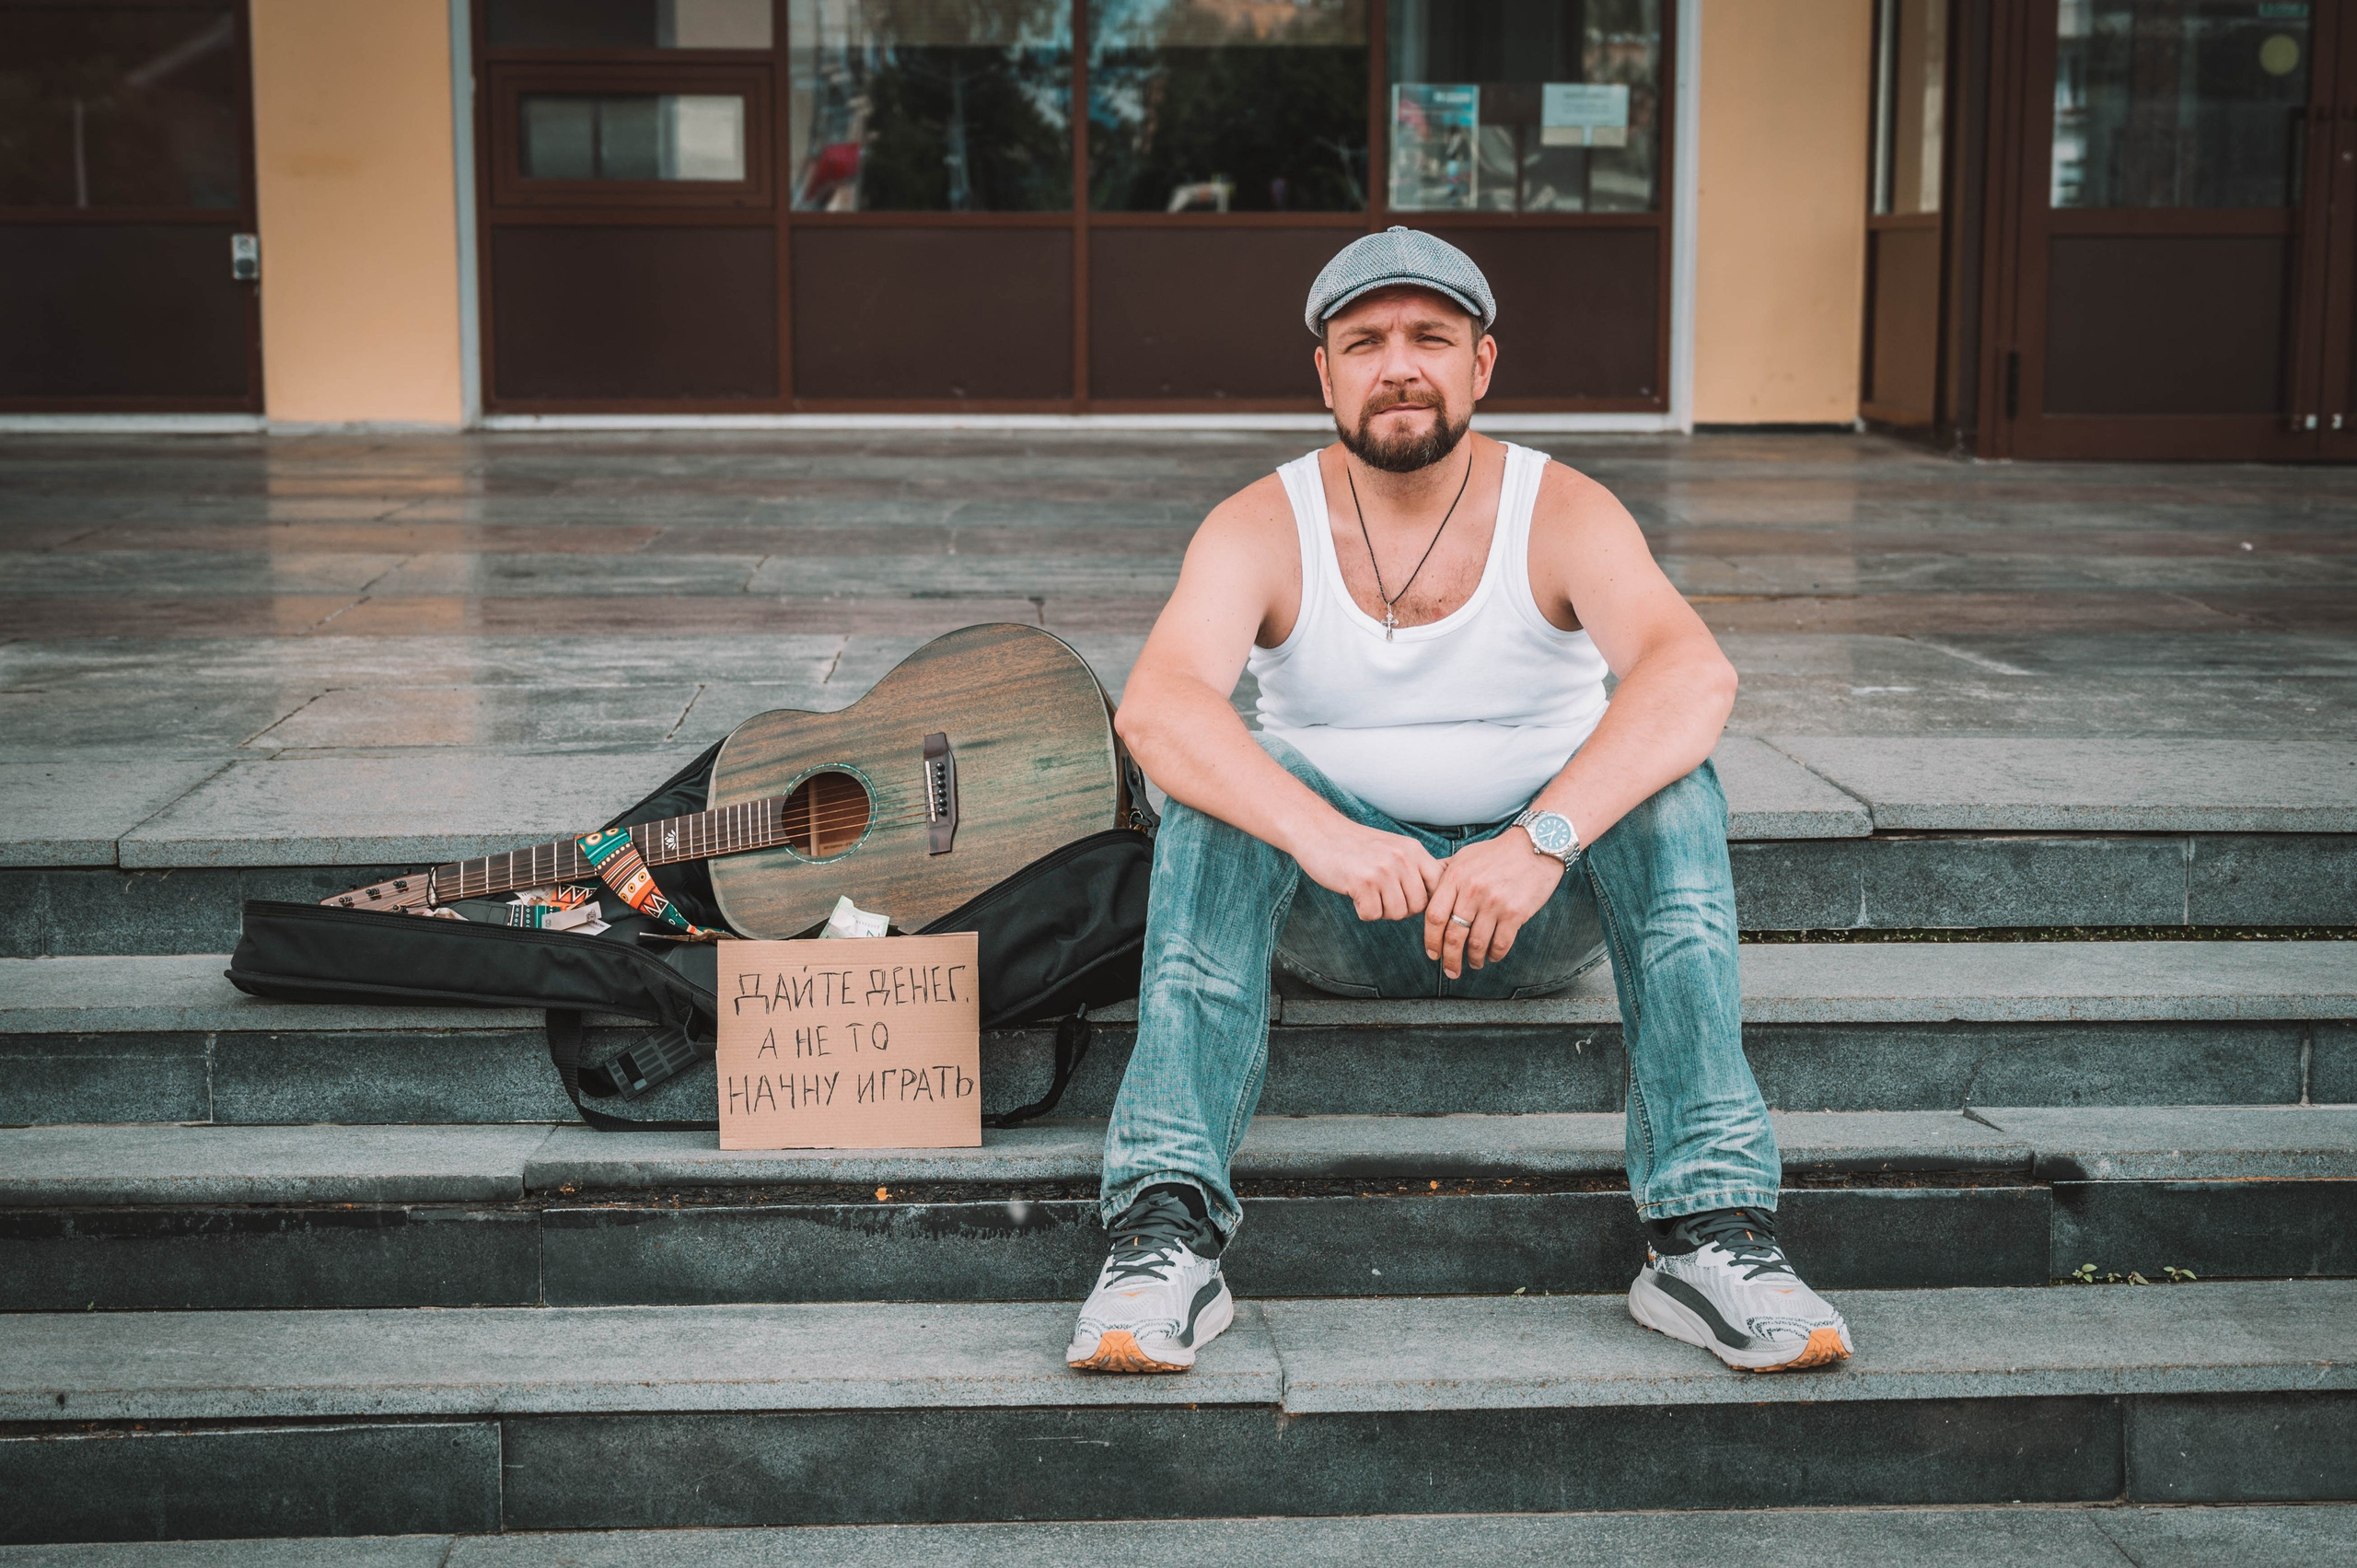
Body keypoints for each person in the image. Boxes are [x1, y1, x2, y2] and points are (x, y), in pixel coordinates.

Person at [1064, 227, 1852, 1376]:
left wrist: (1538, 841)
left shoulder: (1563, 508)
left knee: (1671, 778)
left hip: (1540, 911)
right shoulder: (1259, 522)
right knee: (1215, 790)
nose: (1398, 364)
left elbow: (1694, 675)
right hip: (1332, 918)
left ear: (1481, 364)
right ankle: (1161, 1236)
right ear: (1323, 371)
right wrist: (1326, 835)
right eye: (1364, 340)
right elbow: (1159, 709)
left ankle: (1707, 1231)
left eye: (1430, 337)